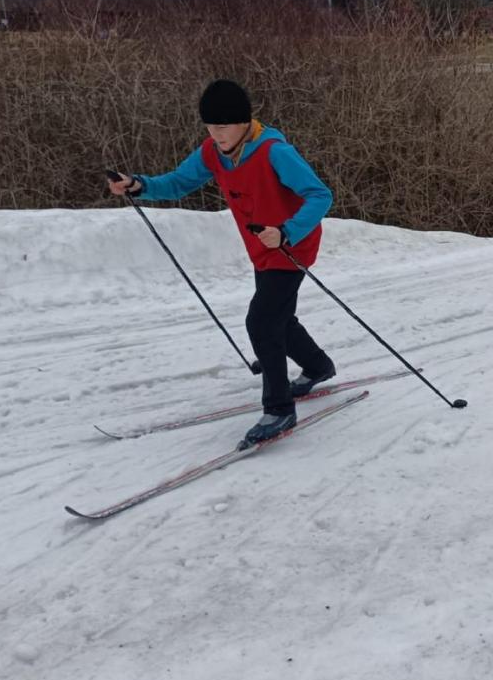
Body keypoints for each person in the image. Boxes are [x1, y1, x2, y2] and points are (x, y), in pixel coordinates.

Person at [107, 79, 337, 448]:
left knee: (261, 321)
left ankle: (279, 409)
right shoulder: (213, 153)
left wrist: (286, 231)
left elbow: (320, 195)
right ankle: (318, 366)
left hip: (292, 246)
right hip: (262, 248)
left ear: (244, 122)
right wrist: (139, 185)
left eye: (224, 127)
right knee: (278, 317)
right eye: (211, 128)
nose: (217, 135)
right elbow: (180, 182)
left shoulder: (274, 151)